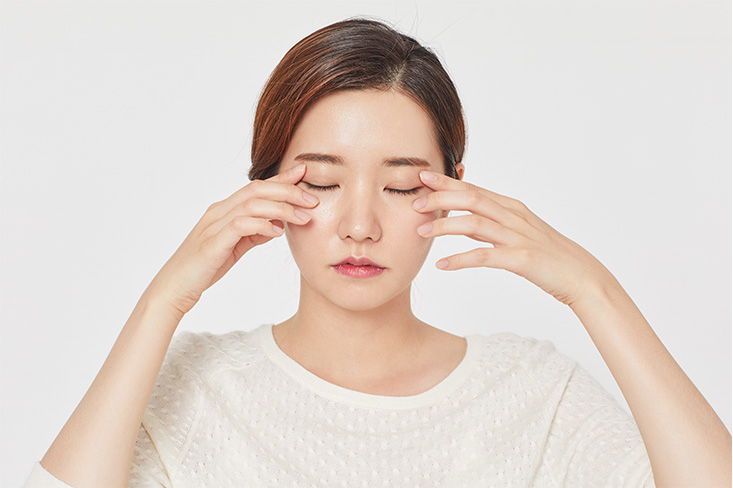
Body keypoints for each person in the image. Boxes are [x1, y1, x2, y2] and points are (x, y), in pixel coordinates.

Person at [24, 18, 730, 488]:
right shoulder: (194, 389)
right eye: (322, 182)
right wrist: (162, 302)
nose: (359, 225)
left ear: (451, 188)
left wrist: (593, 290)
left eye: (399, 186)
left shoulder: (533, 394)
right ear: (265, 187)